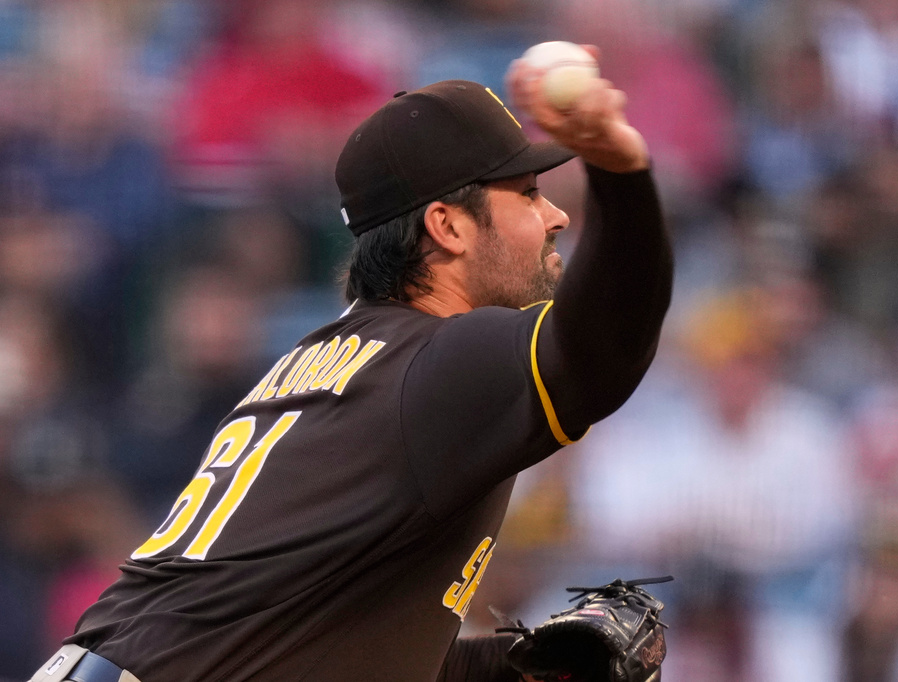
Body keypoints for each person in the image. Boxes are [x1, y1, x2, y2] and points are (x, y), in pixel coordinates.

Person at [29, 50, 673, 682]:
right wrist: (621, 167)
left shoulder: (323, 362)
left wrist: (509, 666)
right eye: (529, 193)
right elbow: (601, 349)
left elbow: (315, 639)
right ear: (447, 227)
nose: (556, 214)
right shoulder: (439, 362)